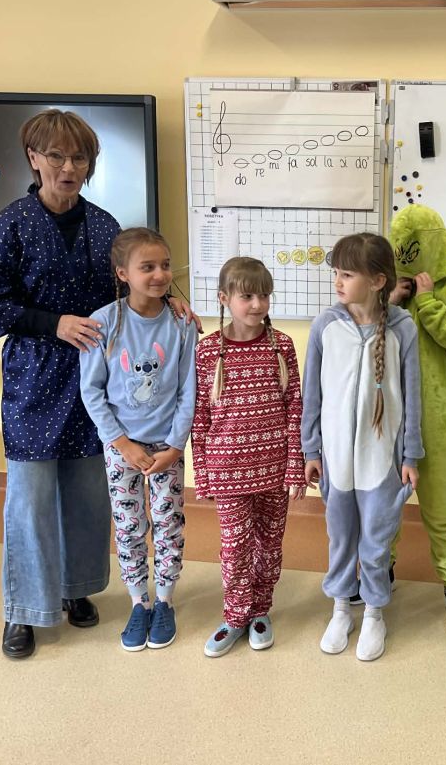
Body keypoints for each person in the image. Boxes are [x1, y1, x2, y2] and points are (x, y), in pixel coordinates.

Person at [0, 109, 197, 659]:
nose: (69, 167)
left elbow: (133, 284)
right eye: (57, 156)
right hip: (35, 378)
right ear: (34, 158)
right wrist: (53, 324)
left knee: (89, 493)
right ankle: (24, 610)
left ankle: (77, 590)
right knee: (30, 497)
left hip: (103, 378)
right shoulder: (10, 224)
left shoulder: (103, 225)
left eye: (80, 158)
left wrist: (172, 301)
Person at [302, 233, 423, 662]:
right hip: (336, 458)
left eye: (347, 274)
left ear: (377, 281)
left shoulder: (403, 329)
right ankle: (341, 609)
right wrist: (311, 450)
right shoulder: (326, 326)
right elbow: (312, 394)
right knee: (341, 537)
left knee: (375, 540)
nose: (338, 281)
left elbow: (413, 397)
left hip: (381, 460)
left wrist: (411, 456)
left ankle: (373, 613)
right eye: (336, 272)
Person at [79, 228, 197, 651]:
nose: (160, 274)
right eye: (147, 267)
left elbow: (188, 389)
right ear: (123, 273)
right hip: (121, 449)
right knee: (129, 525)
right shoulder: (103, 323)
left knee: (168, 523)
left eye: (165, 265)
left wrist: (175, 446)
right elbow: (92, 391)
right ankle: (138, 603)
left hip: (167, 448)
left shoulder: (182, 323)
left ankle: (164, 600)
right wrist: (121, 443)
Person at [191, 257, 305, 658]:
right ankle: (236, 615)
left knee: (269, 545)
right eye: (247, 296)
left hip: (274, 469)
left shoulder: (282, 345)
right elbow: (200, 416)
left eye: (264, 296)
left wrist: (295, 467)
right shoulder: (208, 351)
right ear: (224, 299)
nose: (258, 304)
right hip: (228, 472)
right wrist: (203, 473)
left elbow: (295, 407)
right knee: (235, 547)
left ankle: (260, 611)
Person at [385, 204, 446, 634]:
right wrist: (389, 303)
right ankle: (380, 570)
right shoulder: (384, 283)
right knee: (383, 504)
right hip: (387, 420)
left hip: (439, 421)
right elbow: (359, 337)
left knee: (443, 509)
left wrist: (428, 304)